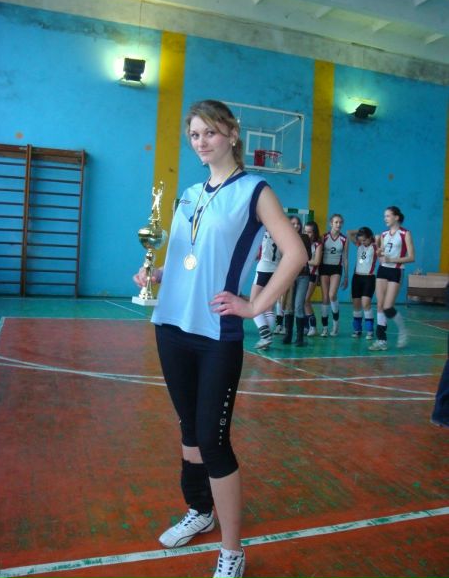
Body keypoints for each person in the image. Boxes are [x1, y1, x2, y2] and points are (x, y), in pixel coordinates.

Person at [133, 99, 307, 578]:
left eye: (209, 132)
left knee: (213, 441)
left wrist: (255, 304)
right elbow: (185, 258)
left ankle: (232, 549)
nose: (201, 142)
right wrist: (155, 274)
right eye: (194, 135)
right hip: (171, 326)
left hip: (215, 333)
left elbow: (295, 252)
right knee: (189, 432)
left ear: (231, 134)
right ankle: (199, 510)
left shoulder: (254, 190)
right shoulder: (189, 194)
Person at [369, 206, 415, 351]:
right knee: (380, 305)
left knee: (388, 306)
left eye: (388, 216)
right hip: (383, 270)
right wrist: (378, 249)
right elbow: (382, 255)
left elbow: (411, 257)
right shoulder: (384, 234)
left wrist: (392, 259)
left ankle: (403, 330)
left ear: (396, 217)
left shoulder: (405, 233)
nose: (385, 219)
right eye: (385, 216)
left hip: (396, 270)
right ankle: (381, 340)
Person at [281, 216, 312, 345]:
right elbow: (283, 255)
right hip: (289, 275)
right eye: (293, 223)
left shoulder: (305, 238)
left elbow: (308, 255)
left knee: (299, 305)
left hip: (303, 275)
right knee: (289, 306)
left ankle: (299, 337)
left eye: (298, 224)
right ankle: (288, 335)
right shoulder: (284, 237)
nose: (296, 226)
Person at [250, 230, 282, 349]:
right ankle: (266, 339)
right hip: (276, 270)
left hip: (263, 269)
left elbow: (255, 252)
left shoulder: (263, 233)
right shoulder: (281, 234)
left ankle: (265, 336)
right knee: (269, 307)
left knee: (253, 304)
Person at [319, 214, 348, 337]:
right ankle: (325, 327)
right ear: (331, 223)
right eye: (336, 222)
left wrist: (346, 276)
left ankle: (336, 324)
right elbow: (319, 253)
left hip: (336, 268)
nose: (338, 224)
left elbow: (345, 258)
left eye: (340, 222)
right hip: (324, 267)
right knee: (325, 297)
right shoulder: (324, 237)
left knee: (332, 295)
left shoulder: (344, 239)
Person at [347, 227, 378, 340]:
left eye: (365, 240)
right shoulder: (359, 245)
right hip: (357, 277)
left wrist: (369, 234)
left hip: (369, 278)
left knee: (366, 304)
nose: (362, 242)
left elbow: (379, 237)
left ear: (370, 237)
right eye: (361, 240)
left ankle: (370, 330)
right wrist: (360, 231)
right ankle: (357, 330)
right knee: (356, 305)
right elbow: (349, 232)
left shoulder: (375, 246)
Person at [303, 220, 322, 337]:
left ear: (314, 233)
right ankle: (306, 327)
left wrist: (304, 261)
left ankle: (313, 327)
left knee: (306, 300)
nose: (307, 234)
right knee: (301, 301)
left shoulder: (318, 245)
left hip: (313, 275)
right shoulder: (301, 243)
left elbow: (316, 262)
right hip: (302, 275)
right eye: (305, 231)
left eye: (310, 232)